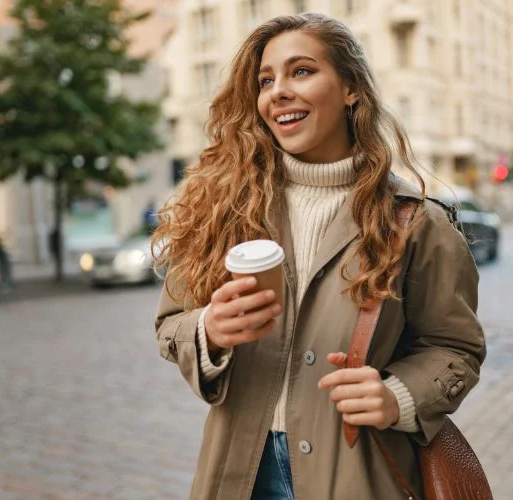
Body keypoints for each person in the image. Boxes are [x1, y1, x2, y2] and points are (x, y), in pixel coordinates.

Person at [153, 13, 485, 500]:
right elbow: (170, 324)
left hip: (357, 473)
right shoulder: (223, 208)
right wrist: (209, 331)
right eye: (266, 80)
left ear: (351, 88)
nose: (278, 92)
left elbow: (456, 349)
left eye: (301, 71)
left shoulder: (415, 222)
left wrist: (398, 395)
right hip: (239, 473)